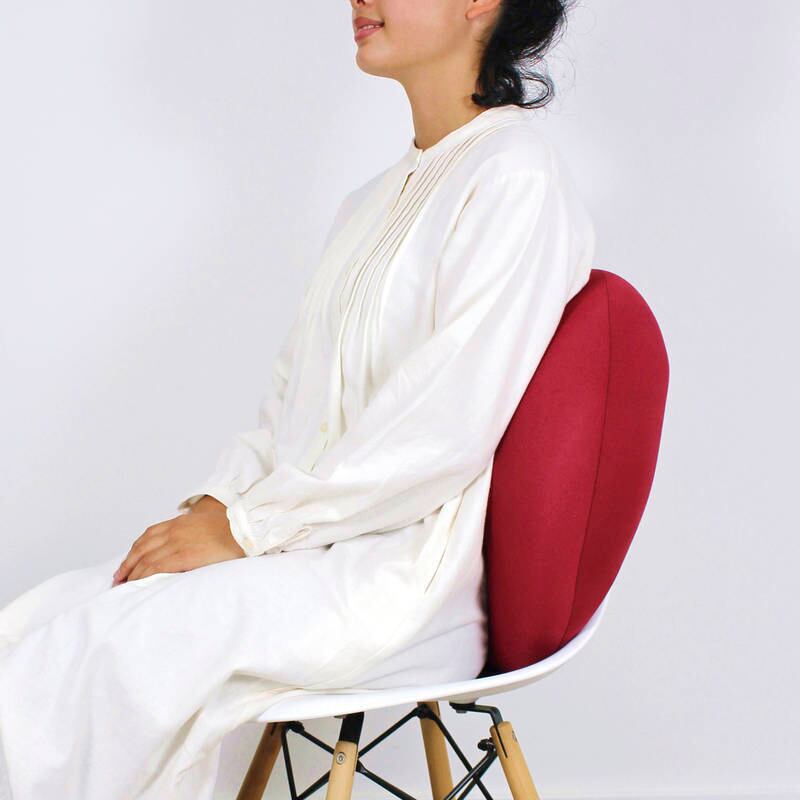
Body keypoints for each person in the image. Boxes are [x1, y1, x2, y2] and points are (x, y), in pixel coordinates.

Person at [0, 0, 594, 796]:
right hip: (309, 550)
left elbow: (440, 432)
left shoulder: (514, 175)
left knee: (114, 650)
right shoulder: (367, 204)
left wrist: (250, 527)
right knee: (44, 622)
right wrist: (218, 506)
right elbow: (290, 410)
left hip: (399, 578)